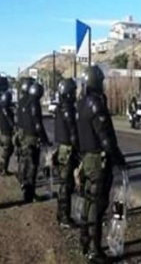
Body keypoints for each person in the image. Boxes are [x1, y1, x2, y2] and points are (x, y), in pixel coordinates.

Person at [76, 65, 126, 262]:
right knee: (97, 205)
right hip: (98, 160)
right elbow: (106, 138)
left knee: (88, 202)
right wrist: (118, 158)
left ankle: (85, 240)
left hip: (87, 159)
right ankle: (95, 251)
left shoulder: (81, 104)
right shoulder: (95, 104)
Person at [18, 82, 51, 202]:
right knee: (32, 167)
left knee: (25, 163)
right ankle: (29, 194)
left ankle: (24, 184)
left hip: (25, 136)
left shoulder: (25, 102)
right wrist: (45, 140)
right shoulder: (34, 103)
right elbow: (38, 124)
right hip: (32, 138)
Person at [54, 78, 80, 228]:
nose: (75, 94)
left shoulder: (60, 107)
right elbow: (72, 132)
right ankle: (64, 217)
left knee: (65, 185)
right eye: (73, 91)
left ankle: (62, 215)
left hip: (62, 149)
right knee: (66, 185)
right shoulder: (67, 109)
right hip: (67, 150)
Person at [0, 91, 15, 176]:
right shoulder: (6, 110)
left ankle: (3, 167)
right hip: (7, 135)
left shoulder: (1, 109)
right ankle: (3, 169)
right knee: (7, 152)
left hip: (2, 134)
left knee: (8, 151)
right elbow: (10, 121)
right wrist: (14, 127)